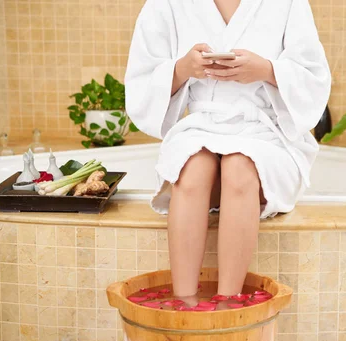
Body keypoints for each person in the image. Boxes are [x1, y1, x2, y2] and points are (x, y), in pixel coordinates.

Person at [125, 0, 331, 304]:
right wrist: (183, 68)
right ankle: (185, 301)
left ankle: (228, 301)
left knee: (238, 165)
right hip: (200, 125)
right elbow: (141, 81)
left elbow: (313, 77)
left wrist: (266, 70)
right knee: (192, 167)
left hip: (264, 132)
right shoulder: (166, 3)